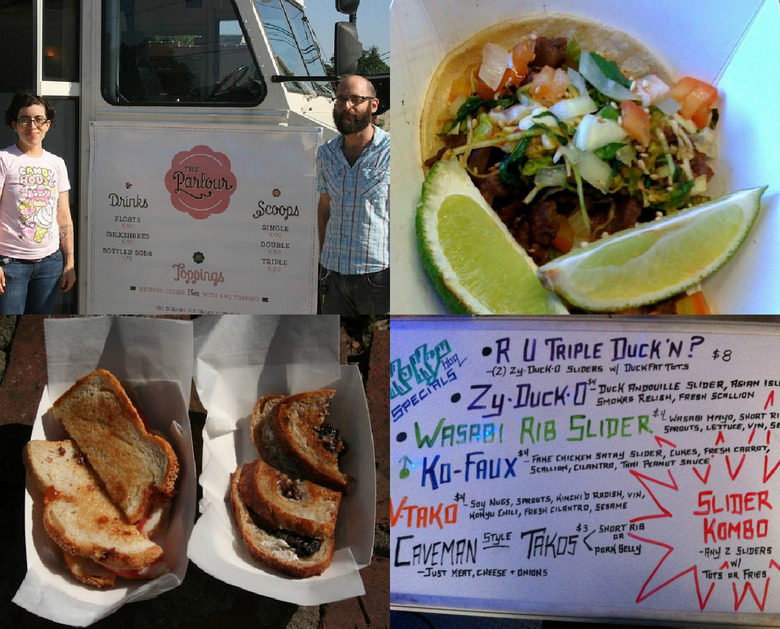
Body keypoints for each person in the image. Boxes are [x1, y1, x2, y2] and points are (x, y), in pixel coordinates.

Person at [317, 75, 389, 314]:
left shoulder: (392, 151)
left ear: (373, 105)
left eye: (356, 99)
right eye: (341, 99)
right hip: (333, 275)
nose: (347, 106)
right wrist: (322, 260)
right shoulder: (326, 154)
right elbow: (324, 208)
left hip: (377, 276)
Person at [0, 91, 75, 314]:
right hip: (10, 263)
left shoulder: (57, 163)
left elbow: (63, 216)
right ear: (14, 125)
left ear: (48, 124)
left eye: (39, 119)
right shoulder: (4, 159)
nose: (32, 125)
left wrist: (69, 262)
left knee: (37, 328)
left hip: (50, 264)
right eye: (25, 119)